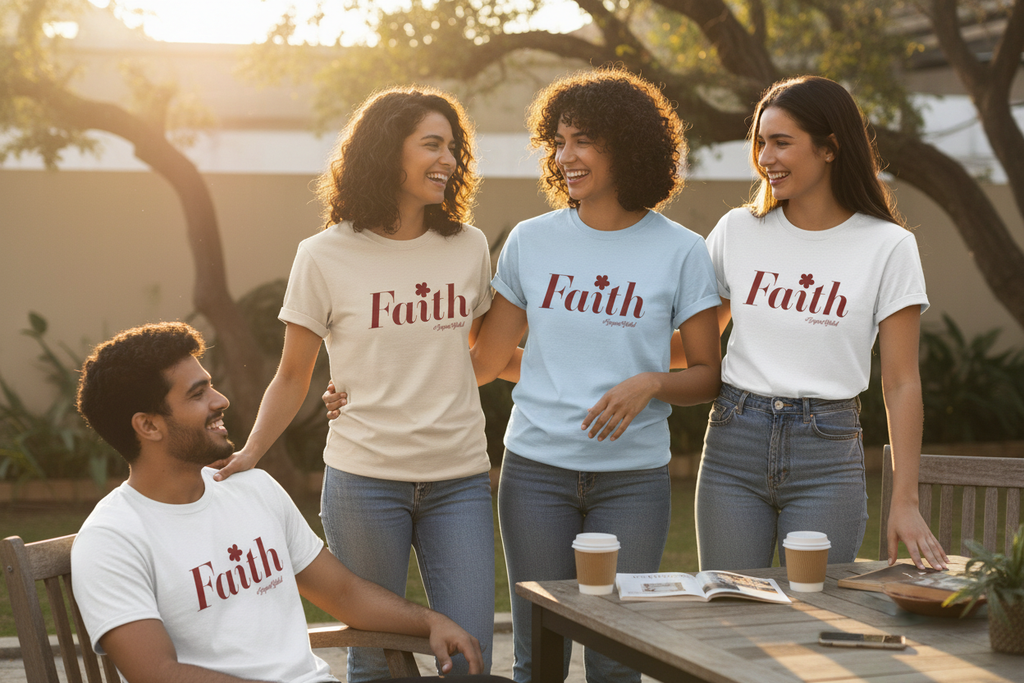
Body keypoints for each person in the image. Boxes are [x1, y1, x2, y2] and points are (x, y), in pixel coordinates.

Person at [210, 87, 500, 681]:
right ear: (385, 151)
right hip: (365, 482)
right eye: (431, 144)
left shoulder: (468, 247)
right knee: (376, 662)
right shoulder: (322, 256)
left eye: (453, 147)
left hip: (460, 480)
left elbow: (475, 353)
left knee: (470, 657)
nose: (447, 159)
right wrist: (251, 453)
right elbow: (293, 375)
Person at [71, 322, 512, 683]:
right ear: (148, 426)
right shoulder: (113, 539)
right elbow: (157, 674)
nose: (220, 400)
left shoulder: (251, 488)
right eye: (197, 393)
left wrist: (431, 622)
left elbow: (344, 592)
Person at [469, 68, 723, 683]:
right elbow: (484, 361)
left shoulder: (681, 250)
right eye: (558, 142)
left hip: (631, 481)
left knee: (616, 661)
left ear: (628, 145)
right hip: (536, 475)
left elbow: (710, 376)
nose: (565, 156)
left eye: (582, 139)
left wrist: (652, 381)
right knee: (539, 657)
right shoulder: (531, 242)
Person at [695, 75, 948, 572]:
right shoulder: (737, 230)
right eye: (761, 143)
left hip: (827, 454)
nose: (765, 158)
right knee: (729, 614)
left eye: (782, 143)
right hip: (733, 442)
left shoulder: (888, 246)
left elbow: (900, 382)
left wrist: (906, 500)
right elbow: (696, 347)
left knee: (814, 622)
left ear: (829, 148)